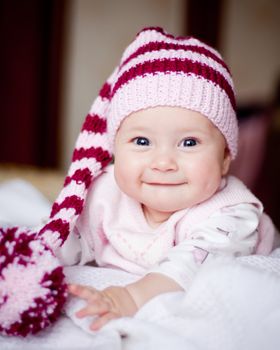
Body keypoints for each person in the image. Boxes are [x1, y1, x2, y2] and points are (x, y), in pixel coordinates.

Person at [0, 27, 276, 337]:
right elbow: (68, 240)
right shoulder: (104, 195)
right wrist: (26, 265)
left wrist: (130, 297)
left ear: (226, 156)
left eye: (188, 143)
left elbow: (187, 268)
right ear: (114, 147)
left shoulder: (232, 215)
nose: (163, 162)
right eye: (142, 141)